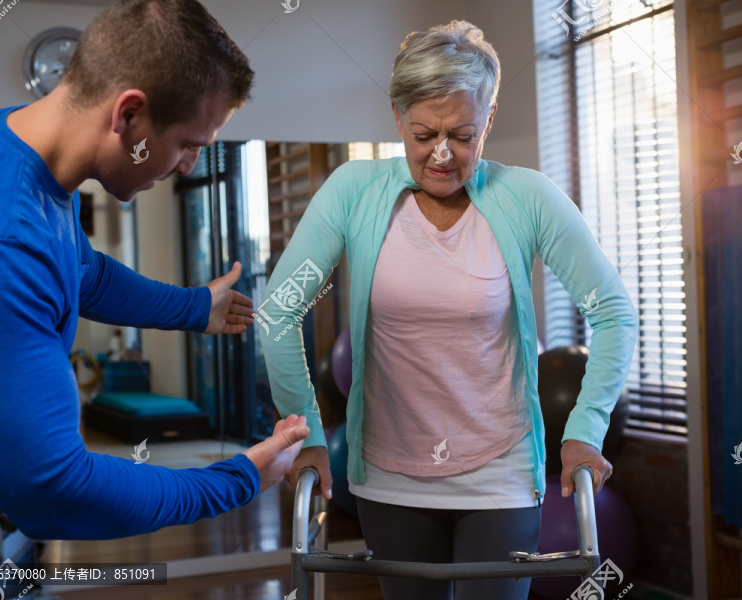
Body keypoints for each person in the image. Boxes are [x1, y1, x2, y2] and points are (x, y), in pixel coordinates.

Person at [0, 0, 310, 597]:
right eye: (188, 144)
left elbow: (82, 270)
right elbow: (53, 492)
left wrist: (194, 307)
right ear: (130, 115)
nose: (190, 165)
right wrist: (239, 478)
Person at [261, 21, 638, 600]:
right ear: (396, 115)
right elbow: (280, 310)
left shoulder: (527, 197)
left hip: (501, 473)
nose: (441, 154)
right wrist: (305, 430)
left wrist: (585, 431)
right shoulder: (353, 191)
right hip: (388, 474)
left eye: (462, 134)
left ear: (488, 119)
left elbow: (612, 311)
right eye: (423, 134)